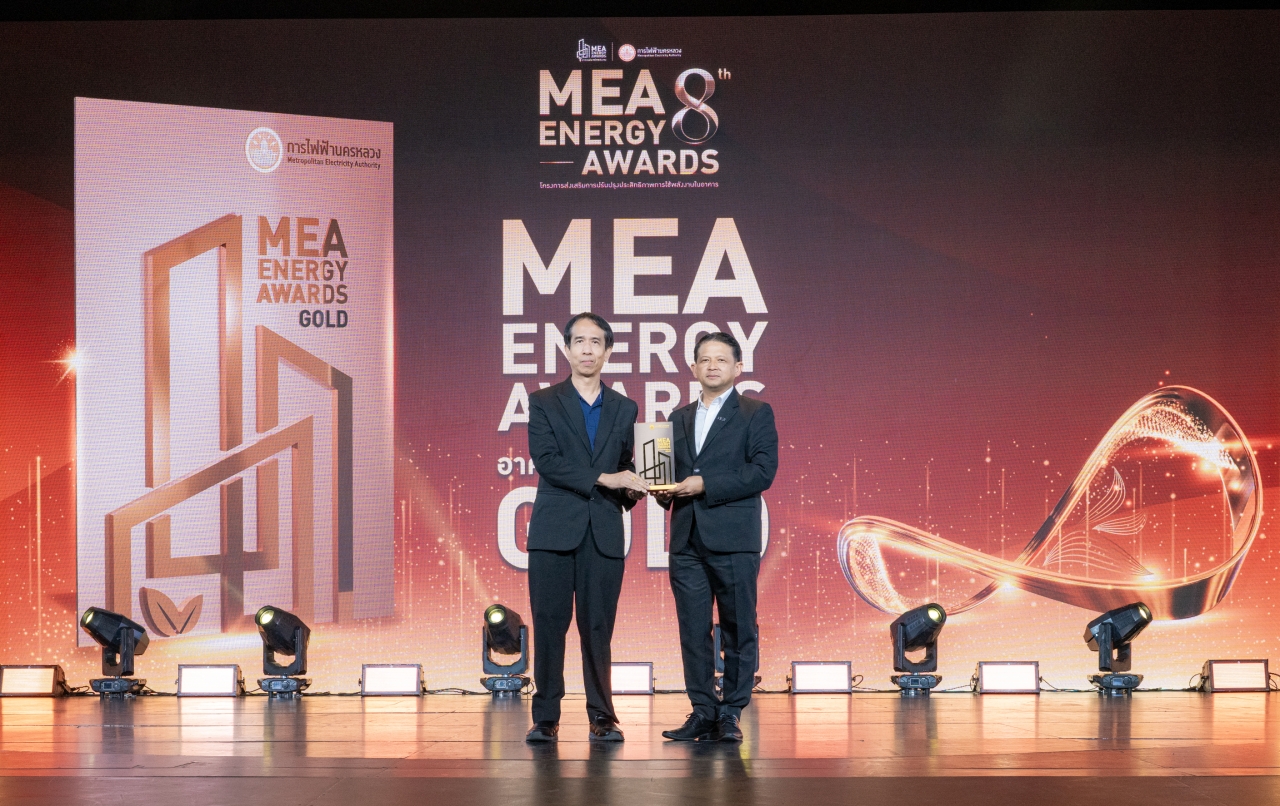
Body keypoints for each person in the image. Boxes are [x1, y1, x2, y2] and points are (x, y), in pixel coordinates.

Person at [524, 312, 648, 743]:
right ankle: (546, 717)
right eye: (579, 341)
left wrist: (636, 486)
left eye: (597, 342)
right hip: (553, 532)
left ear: (608, 351)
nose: (588, 350)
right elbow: (548, 462)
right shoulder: (543, 401)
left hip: (603, 530)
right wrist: (607, 478)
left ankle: (602, 716)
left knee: (598, 629)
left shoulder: (625, 407)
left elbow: (626, 464)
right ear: (566, 349)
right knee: (549, 625)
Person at [655, 331, 778, 743]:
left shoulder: (755, 413)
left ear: (738, 367)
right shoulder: (677, 417)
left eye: (721, 360)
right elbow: (668, 476)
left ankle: (732, 712)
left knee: (738, 627)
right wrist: (658, 488)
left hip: (733, 538)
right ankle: (703, 710)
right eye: (704, 359)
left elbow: (762, 472)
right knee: (692, 630)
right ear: (693, 368)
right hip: (686, 539)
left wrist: (705, 484)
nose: (712, 366)